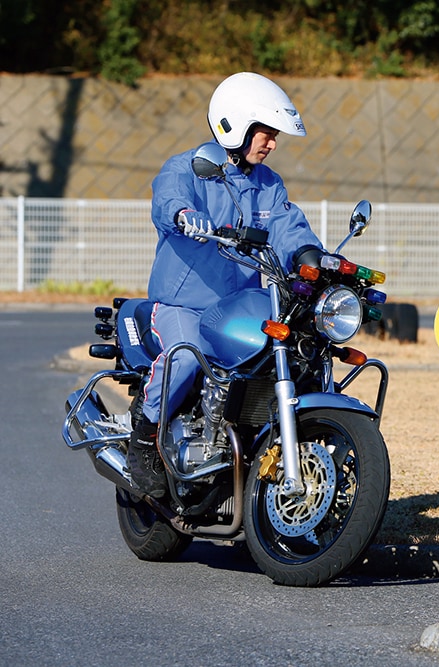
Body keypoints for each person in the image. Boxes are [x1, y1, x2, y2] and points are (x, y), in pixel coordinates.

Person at [128, 72, 324, 498]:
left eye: (274, 135)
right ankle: (142, 439)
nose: (271, 143)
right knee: (185, 359)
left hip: (241, 308)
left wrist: (312, 254)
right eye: (265, 132)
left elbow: (288, 226)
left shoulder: (267, 183)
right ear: (235, 123)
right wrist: (183, 214)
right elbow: (166, 198)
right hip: (183, 306)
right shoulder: (188, 168)